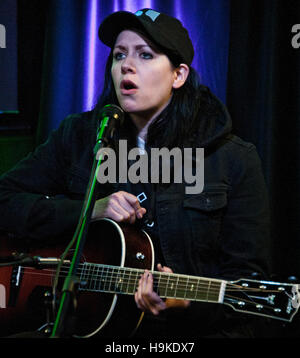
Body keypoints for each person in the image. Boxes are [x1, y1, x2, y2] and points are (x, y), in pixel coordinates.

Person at [0, 8, 271, 339]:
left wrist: (187, 306)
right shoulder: (80, 136)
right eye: (118, 55)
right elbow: (5, 200)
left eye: (145, 55)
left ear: (179, 75)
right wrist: (91, 210)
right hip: (84, 324)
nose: (126, 66)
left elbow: (248, 288)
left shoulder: (232, 159)